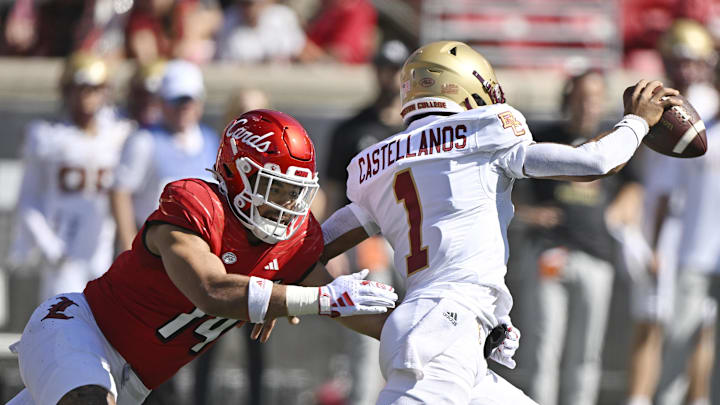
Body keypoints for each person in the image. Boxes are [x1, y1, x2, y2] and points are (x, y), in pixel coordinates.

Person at [319, 40, 680, 404]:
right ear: (462, 86)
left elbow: (323, 241)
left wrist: (286, 279)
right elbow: (596, 163)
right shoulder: (483, 131)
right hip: (444, 332)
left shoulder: (381, 160)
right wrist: (636, 122)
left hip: (442, 327)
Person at [7, 109, 398, 405]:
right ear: (234, 172)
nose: (287, 206)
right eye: (275, 189)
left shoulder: (292, 242)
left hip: (133, 383)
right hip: (80, 331)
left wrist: (431, 331)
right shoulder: (193, 203)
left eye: (295, 193)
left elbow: (367, 317)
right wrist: (310, 299)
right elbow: (211, 289)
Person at [517, 70, 640, 405]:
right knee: (544, 347)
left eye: (595, 97)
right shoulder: (544, 138)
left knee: (586, 352)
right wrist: (529, 214)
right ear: (568, 99)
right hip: (550, 251)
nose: (589, 105)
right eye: (582, 96)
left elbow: (634, 183)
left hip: (596, 255)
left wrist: (620, 208)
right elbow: (504, 193)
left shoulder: (611, 141)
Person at [626, 19, 719, 405]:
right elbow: (662, 186)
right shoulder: (671, 105)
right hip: (678, 235)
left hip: (698, 237)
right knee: (664, 326)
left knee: (699, 330)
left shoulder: (707, 105)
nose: (685, 70)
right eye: (678, 60)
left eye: (693, 61)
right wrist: (655, 240)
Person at [9, 52, 133, 303]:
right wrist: (50, 247)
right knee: (62, 320)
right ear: (67, 90)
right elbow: (28, 198)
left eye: (95, 88)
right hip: (64, 244)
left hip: (103, 247)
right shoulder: (46, 136)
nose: (88, 96)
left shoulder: (120, 135)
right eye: (81, 88)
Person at [323, 39, 409, 404]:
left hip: (413, 240)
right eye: (384, 68)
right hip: (368, 241)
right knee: (364, 343)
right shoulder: (352, 129)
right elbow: (328, 191)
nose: (390, 77)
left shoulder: (422, 131)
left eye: (397, 69)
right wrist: (327, 246)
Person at [110, 59, 218, 253]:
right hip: (154, 249)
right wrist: (129, 248)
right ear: (161, 102)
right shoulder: (143, 140)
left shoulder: (211, 140)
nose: (183, 107)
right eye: (176, 100)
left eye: (189, 100)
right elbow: (120, 192)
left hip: (201, 248)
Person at [215, 0, 306, 63]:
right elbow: (225, 60)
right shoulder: (229, 19)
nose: (248, 9)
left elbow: (298, 53)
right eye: (244, 3)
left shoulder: (282, 16)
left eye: (251, 3)